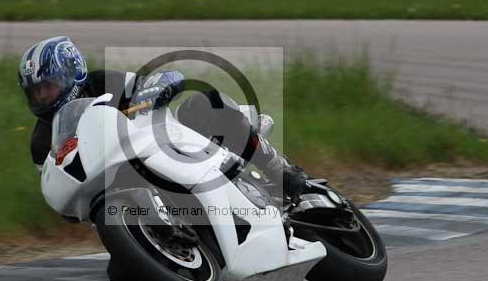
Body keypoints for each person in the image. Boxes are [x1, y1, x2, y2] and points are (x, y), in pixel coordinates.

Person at [18, 36, 308, 197]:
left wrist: (160, 87)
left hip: (164, 146)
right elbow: (57, 184)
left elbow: (154, 81)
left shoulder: (102, 82)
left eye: (48, 87)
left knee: (202, 103)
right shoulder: (41, 141)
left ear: (73, 72)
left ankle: (274, 167)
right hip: (119, 187)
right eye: (36, 92)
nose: (43, 97)